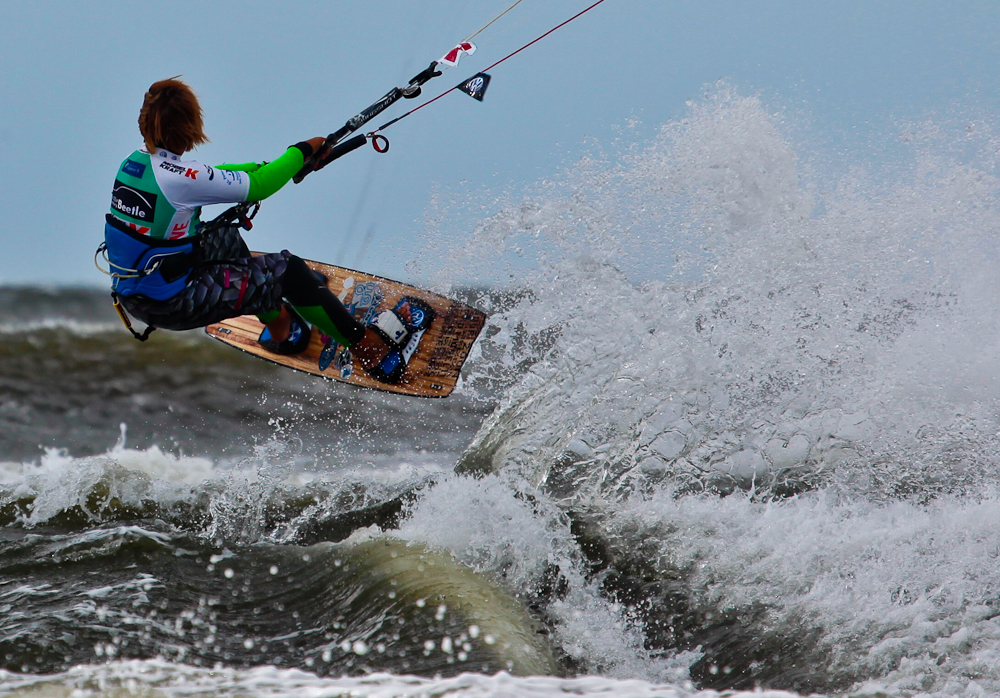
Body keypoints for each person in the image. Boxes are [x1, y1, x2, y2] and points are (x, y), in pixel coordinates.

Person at [102, 77, 412, 374]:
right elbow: (256, 186)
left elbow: (213, 175)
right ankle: (359, 347)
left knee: (223, 235)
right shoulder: (178, 179)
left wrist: (271, 166)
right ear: (191, 127)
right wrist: (304, 149)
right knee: (289, 270)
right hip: (171, 303)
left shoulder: (135, 162)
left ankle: (280, 311)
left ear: (143, 122)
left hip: (147, 289)